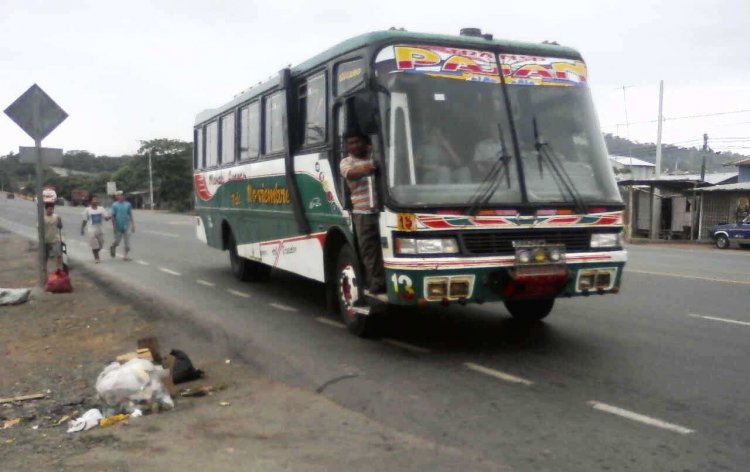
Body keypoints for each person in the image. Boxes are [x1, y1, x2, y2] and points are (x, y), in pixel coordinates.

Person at [339, 130, 386, 296]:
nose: (355, 145)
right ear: (347, 147)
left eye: (358, 141)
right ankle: (376, 282)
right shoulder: (346, 162)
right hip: (362, 213)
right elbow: (350, 174)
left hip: (383, 212)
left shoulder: (375, 156)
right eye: (351, 143)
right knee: (369, 250)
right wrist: (367, 170)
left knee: (384, 248)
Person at [81, 197, 109, 263]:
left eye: (97, 200)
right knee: (94, 245)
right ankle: (97, 258)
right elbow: (85, 220)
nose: (95, 201)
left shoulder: (101, 209)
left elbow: (106, 218)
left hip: (100, 229)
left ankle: (96, 252)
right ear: (91, 202)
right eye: (94, 200)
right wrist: (82, 228)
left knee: (101, 244)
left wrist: (109, 217)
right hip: (91, 230)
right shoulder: (87, 210)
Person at [109, 191, 135, 261]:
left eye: (121, 195)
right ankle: (113, 246)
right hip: (118, 225)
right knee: (117, 241)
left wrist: (133, 225)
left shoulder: (128, 204)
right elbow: (113, 216)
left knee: (127, 241)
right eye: (118, 196)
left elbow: (130, 214)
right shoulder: (114, 205)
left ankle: (125, 256)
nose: (120, 197)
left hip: (126, 225)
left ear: (123, 196)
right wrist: (114, 226)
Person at [43, 202, 63, 271]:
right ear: (46, 209)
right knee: (45, 255)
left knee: (58, 254)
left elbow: (60, 227)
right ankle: (44, 268)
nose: (51, 210)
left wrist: (60, 222)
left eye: (52, 209)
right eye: (50, 209)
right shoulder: (42, 218)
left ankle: (58, 269)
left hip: (55, 239)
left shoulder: (56, 217)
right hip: (46, 240)